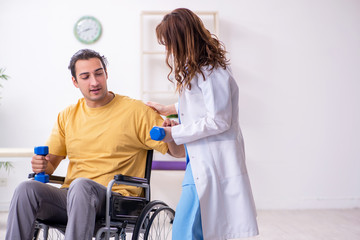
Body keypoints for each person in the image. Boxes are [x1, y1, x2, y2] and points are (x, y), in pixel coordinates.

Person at [5, 49, 185, 240]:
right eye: (85, 76)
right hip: (72, 197)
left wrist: (172, 134)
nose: (95, 81)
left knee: (81, 186)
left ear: (106, 74)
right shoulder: (67, 115)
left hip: (115, 198)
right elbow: (50, 166)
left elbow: (178, 151)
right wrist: (42, 165)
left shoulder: (136, 111)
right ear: (75, 82)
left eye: (99, 73)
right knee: (26, 189)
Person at [146, 8, 259, 240]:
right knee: (195, 229)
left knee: (185, 230)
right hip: (198, 159)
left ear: (181, 39)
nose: (167, 49)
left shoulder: (212, 71)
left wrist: (173, 133)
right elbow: (201, 105)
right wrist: (171, 109)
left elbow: (219, 119)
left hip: (211, 161)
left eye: (168, 43)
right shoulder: (198, 68)